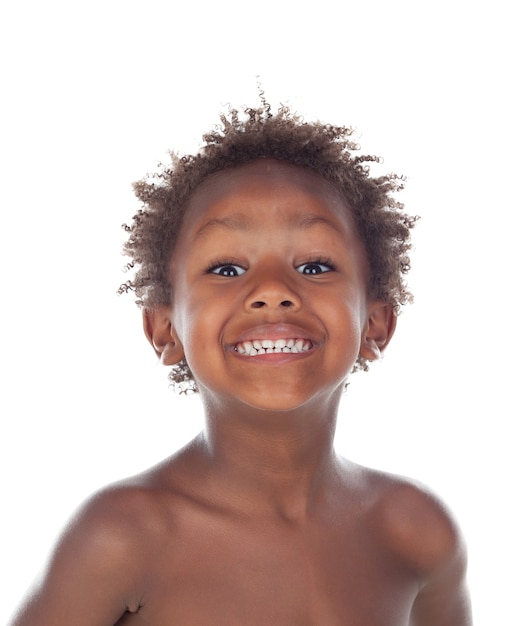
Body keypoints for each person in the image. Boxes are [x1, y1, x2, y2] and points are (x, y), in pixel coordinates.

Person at [10, 100, 472, 625]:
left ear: (377, 324)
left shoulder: (414, 532)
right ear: (165, 329)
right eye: (227, 268)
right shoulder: (123, 538)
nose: (273, 291)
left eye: (315, 265)